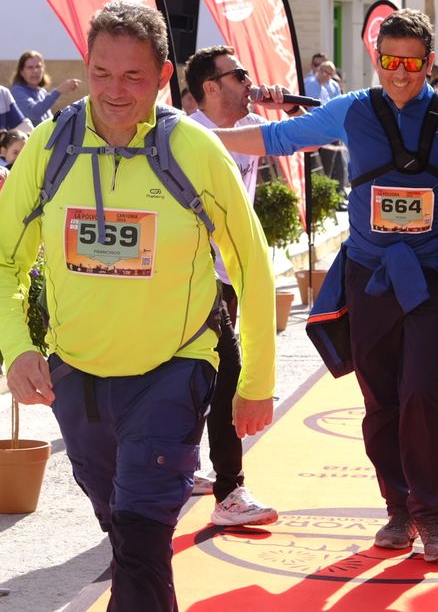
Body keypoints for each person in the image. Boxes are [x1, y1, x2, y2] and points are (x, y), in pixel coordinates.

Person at [0, 1, 276, 609]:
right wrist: (18, 350)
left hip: (174, 367)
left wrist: (257, 382)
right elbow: (1, 261)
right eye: (101, 74)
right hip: (77, 376)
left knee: (143, 529)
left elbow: (251, 266)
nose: (114, 91)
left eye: (133, 76)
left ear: (164, 76)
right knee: (122, 526)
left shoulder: (195, 150)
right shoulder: (51, 147)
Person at [211, 8, 438, 564]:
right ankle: (397, 509)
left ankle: (432, 516)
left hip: (433, 276)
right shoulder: (352, 110)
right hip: (369, 280)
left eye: (411, 64)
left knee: (423, 391)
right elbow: (276, 137)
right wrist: (200, 138)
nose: (400, 73)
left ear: (429, 63)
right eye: (390, 61)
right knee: (380, 399)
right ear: (377, 59)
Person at [182, 45, 283, 528]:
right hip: (195, 277)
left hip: (231, 273)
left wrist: (286, 107)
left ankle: (187, 471)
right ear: (210, 86)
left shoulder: (248, 130)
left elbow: (319, 136)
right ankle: (229, 489)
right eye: (239, 75)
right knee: (226, 374)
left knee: (205, 376)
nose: (249, 83)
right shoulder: (188, 137)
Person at [10, 49, 80, 126]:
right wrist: (58, 91)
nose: (35, 71)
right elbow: (33, 113)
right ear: (22, 72)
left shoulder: (42, 91)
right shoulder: (17, 91)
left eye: (38, 66)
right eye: (30, 67)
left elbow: (48, 120)